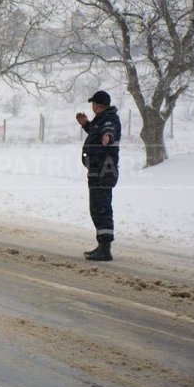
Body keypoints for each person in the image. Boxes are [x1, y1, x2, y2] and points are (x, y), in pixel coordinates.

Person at [76, 90, 121, 261]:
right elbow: (98, 134)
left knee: (101, 209)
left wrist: (107, 136)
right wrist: (86, 124)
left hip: (104, 171)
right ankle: (102, 246)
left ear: (96, 105)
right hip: (98, 171)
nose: (92, 106)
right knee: (97, 208)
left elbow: (108, 130)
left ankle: (105, 248)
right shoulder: (101, 119)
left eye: (93, 104)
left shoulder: (109, 119)